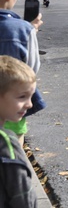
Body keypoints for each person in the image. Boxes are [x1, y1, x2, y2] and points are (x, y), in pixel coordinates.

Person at [0, 0, 42, 145]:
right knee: (13, 152)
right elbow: (32, 68)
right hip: (10, 106)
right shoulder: (22, 29)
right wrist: (31, 29)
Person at [0, 55, 37, 208]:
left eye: (31, 97)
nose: (29, 104)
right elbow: (22, 194)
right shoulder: (6, 142)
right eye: (22, 97)